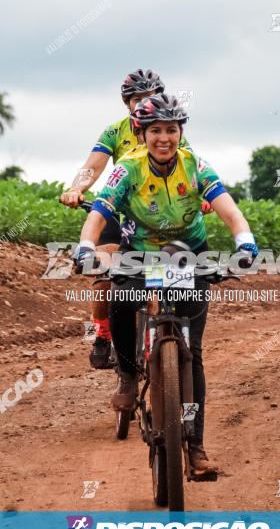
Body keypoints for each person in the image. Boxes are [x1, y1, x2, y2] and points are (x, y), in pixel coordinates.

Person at [73, 93, 259, 475]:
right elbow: (98, 213)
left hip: (187, 253)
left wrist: (245, 242)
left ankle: (196, 448)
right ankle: (127, 372)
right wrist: (85, 246)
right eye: (155, 130)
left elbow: (229, 210)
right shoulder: (128, 168)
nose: (164, 138)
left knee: (194, 352)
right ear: (141, 134)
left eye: (171, 130)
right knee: (122, 304)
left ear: (180, 133)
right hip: (138, 251)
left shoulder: (195, 167)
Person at [59, 69, 191, 369]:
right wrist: (76, 188)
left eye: (152, 96)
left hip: (162, 218)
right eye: (138, 99)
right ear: (127, 104)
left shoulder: (170, 131)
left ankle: (166, 336)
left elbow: (192, 169)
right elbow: (92, 166)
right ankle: (104, 335)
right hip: (120, 215)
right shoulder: (115, 132)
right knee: (104, 273)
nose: (145, 102)